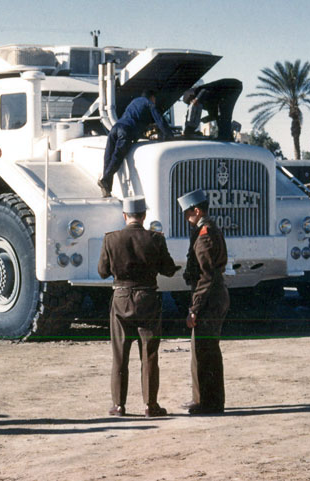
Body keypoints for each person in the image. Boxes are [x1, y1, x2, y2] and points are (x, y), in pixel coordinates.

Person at [98, 196, 180, 417]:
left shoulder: (111, 239)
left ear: (125, 216)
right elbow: (169, 270)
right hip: (147, 298)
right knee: (149, 354)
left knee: (120, 355)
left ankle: (118, 405)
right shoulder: (155, 239)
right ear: (144, 216)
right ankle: (150, 405)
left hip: (121, 297)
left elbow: (103, 272)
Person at [177, 188, 230, 415]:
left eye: (188, 213)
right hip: (212, 295)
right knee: (203, 349)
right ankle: (202, 399)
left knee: (206, 351)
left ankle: (210, 403)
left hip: (210, 298)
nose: (187, 217)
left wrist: (194, 309)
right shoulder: (205, 230)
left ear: (197, 211)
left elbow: (206, 276)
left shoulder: (205, 234)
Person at [98, 93, 174, 197]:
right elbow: (159, 119)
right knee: (118, 156)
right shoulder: (149, 103)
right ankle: (105, 179)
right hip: (126, 131)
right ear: (152, 97)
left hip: (115, 128)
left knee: (108, 156)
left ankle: (107, 188)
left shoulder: (134, 101)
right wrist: (169, 135)